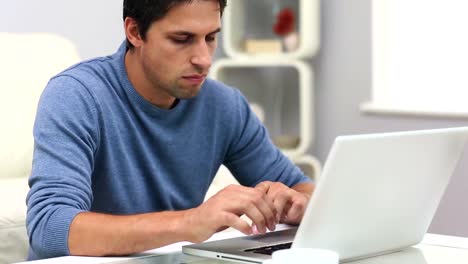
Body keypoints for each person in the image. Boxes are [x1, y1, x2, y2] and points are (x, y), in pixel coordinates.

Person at [26, 0, 314, 260]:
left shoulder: (225, 106)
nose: (204, 59)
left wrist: (299, 204)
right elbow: (50, 227)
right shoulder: (76, 95)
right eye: (181, 39)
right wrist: (190, 223)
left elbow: (302, 187)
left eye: (211, 38)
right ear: (135, 32)